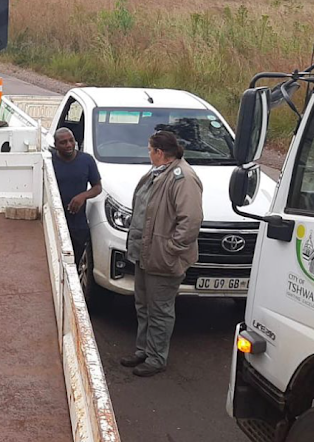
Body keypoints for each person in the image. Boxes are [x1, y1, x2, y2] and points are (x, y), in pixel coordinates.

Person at [120, 130, 203, 377]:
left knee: (160, 310)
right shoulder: (158, 173)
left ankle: (156, 358)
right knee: (143, 306)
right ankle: (143, 350)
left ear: (159, 152)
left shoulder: (182, 178)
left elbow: (191, 221)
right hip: (146, 255)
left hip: (162, 258)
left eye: (149, 150)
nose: (148, 154)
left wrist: (171, 250)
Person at [50, 127, 102, 264]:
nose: (68, 145)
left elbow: (97, 187)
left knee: (74, 261)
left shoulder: (87, 160)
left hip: (78, 223)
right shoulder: (49, 162)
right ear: (56, 145)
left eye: (71, 140)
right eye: (63, 142)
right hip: (54, 221)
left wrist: (83, 196)